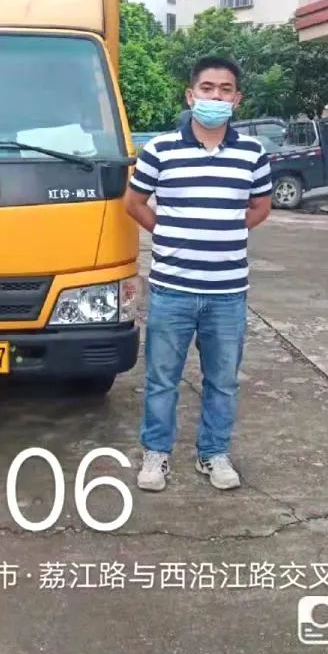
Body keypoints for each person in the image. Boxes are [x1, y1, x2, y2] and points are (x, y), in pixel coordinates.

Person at [124, 57, 272, 492]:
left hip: (228, 292)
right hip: (172, 289)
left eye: (225, 90)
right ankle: (156, 454)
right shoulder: (160, 150)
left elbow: (261, 207)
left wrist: (226, 231)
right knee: (161, 379)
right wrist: (169, 233)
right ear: (191, 96)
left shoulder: (252, 154)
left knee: (223, 381)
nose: (215, 97)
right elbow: (134, 202)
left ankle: (214, 454)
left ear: (237, 99)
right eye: (207, 88)